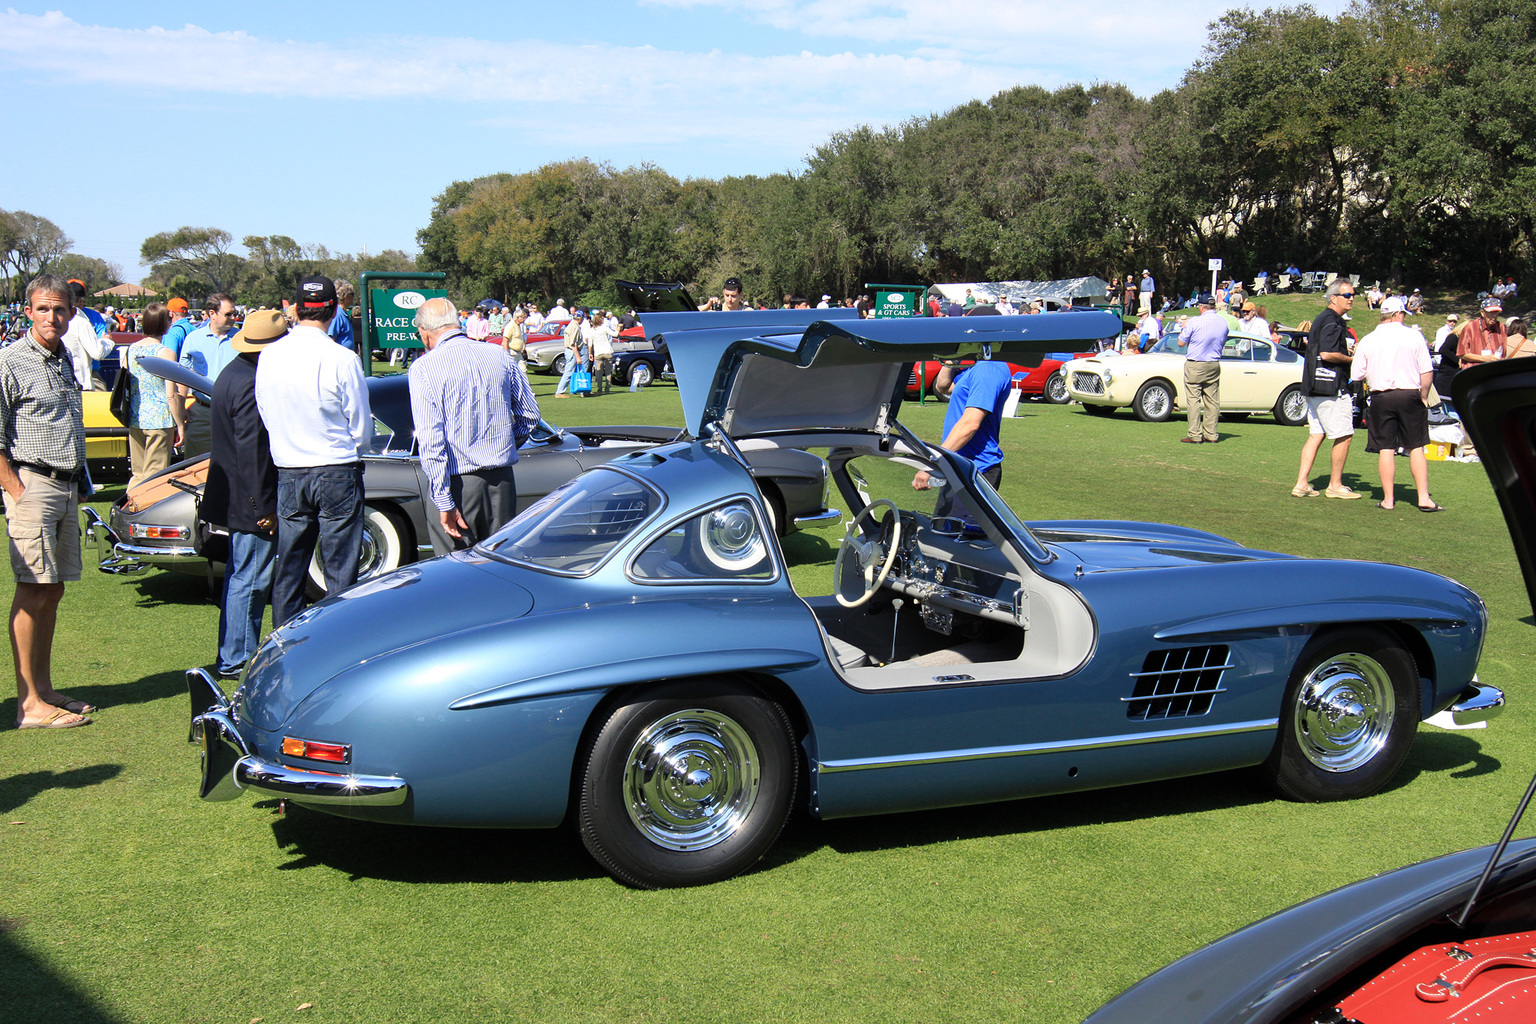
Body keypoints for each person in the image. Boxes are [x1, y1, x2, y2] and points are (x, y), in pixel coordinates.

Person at [0, 276, 93, 728]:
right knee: (33, 590)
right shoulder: (11, 362)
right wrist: (18, 494)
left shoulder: (62, 359)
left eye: (60, 310)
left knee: (52, 591)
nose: (52, 317)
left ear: (72, 312)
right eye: (43, 309)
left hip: (64, 485)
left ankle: (45, 688)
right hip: (31, 485)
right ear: (28, 311)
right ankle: (28, 704)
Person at [255, 275, 372, 628]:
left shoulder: (270, 354)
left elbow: (265, 409)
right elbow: (360, 419)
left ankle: (284, 642)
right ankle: (339, 640)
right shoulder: (340, 356)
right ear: (334, 309)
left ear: (295, 309)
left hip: (291, 467)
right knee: (341, 567)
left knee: (290, 564)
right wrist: (356, 448)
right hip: (336, 465)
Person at [408, 298, 540, 555]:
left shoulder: (424, 367)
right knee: (500, 566)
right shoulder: (498, 355)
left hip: (457, 482)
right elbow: (529, 416)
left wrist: (443, 500)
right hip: (501, 480)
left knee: (454, 574)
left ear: (424, 333)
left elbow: (431, 439)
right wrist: (502, 444)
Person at [201, 310, 285, 678]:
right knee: (250, 579)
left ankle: (233, 653)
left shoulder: (233, 371)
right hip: (247, 497)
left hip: (235, 494)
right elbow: (251, 451)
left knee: (243, 576)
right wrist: (263, 505)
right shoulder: (251, 381)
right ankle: (238, 658)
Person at [1351, 296, 1440, 511]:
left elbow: (1357, 374)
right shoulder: (1414, 336)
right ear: (1399, 314)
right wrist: (1424, 396)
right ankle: (1423, 498)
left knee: (1386, 448)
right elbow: (1426, 371)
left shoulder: (1368, 339)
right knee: (1416, 446)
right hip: (1410, 394)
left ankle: (1388, 500)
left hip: (1382, 396)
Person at [1293, 279, 1360, 498]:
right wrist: (1353, 359)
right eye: (1347, 295)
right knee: (1344, 435)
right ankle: (1335, 485)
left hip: (1314, 386)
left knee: (1316, 435)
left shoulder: (1322, 319)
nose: (1351, 299)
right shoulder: (1333, 320)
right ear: (1333, 298)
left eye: (1353, 295)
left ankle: (1302, 483)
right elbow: (1328, 354)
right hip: (1330, 388)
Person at [910, 355, 1014, 497]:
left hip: (977, 471)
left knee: (954, 519)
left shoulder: (989, 369)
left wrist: (934, 463)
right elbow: (943, 386)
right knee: (943, 520)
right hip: (958, 466)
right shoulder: (975, 366)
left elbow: (970, 424)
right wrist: (952, 360)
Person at [123, 303, 185, 488]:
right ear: (165, 324)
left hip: (136, 416)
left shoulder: (131, 349)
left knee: (138, 473)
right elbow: (171, 394)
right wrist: (180, 424)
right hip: (159, 418)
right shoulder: (166, 353)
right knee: (155, 476)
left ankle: (128, 508)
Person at [178, 293, 240, 459]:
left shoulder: (242, 340)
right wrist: (180, 408)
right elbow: (182, 376)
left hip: (235, 413)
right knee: (195, 468)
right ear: (212, 313)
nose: (233, 318)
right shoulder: (193, 339)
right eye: (228, 314)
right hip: (202, 413)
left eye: (234, 313)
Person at [1180, 293, 1226, 444]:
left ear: (1201, 307)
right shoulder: (1222, 322)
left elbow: (1181, 342)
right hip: (1213, 363)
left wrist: (1183, 328)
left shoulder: (1195, 322)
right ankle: (1211, 434)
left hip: (1196, 363)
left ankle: (1195, 434)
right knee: (1212, 400)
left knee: (1193, 399)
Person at [60, 280, 114, 390]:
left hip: (90, 371)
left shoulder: (94, 317)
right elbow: (98, 352)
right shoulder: (81, 321)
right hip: (81, 380)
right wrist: (108, 341)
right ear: (80, 300)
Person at [1458, 296, 1507, 369]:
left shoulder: (1501, 327)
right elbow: (1462, 353)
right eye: (1491, 312)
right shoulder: (1470, 327)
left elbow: (1504, 352)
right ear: (1482, 313)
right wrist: (1485, 359)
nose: (1494, 316)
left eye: (1496, 312)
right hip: (1475, 372)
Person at [554, 309, 587, 397]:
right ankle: (560, 391)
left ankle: (581, 390)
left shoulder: (571, 324)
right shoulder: (575, 326)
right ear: (580, 318)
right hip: (572, 351)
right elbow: (573, 343)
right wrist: (578, 356)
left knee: (571, 370)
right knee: (569, 371)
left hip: (570, 351)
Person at [586, 309, 616, 396]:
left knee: (598, 372)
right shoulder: (604, 328)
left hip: (598, 353)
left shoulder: (591, 330)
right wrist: (618, 328)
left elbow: (590, 343)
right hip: (607, 351)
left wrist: (590, 353)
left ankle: (599, 389)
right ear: (600, 320)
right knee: (608, 372)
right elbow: (615, 334)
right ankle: (607, 389)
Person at [328, 280, 357, 351]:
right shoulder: (337, 314)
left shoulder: (343, 313)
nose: (354, 297)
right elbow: (330, 339)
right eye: (352, 294)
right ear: (346, 296)